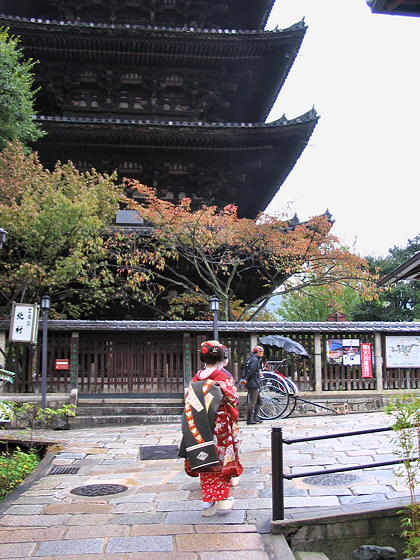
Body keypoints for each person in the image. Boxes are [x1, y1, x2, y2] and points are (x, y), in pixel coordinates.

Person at [179, 340, 243, 517]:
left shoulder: (197, 377)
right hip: (220, 424)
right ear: (222, 358)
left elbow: (189, 400)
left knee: (205, 460)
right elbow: (233, 399)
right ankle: (219, 499)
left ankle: (208, 501)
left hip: (200, 424)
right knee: (220, 461)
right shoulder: (222, 377)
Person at [242, 345, 264, 425]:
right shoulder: (255, 360)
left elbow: (244, 369)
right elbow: (252, 370)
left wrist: (244, 378)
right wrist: (247, 379)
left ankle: (255, 417)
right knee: (253, 401)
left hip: (250, 382)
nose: (262, 354)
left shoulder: (249, 359)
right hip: (253, 382)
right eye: (262, 352)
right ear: (258, 352)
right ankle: (249, 419)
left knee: (259, 401)